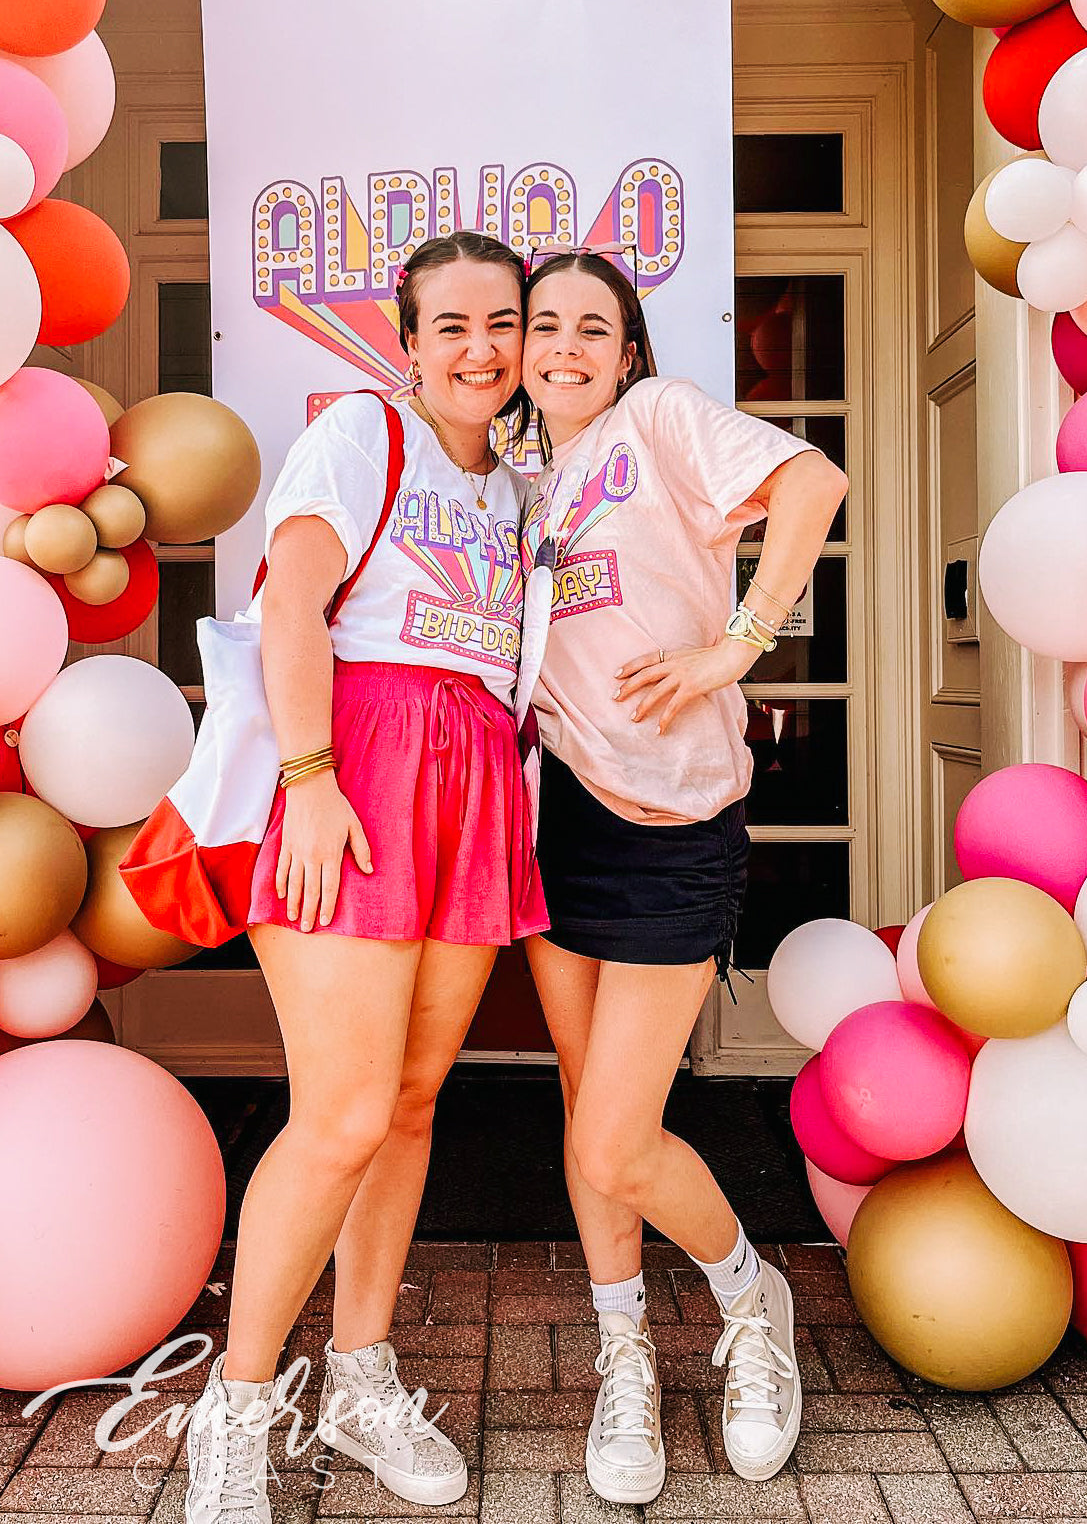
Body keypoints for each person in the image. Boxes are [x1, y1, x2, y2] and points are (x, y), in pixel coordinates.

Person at [185, 232, 547, 1524]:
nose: (481, 349)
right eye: (451, 325)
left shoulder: (519, 492)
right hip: (358, 766)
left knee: (405, 1103)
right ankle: (234, 1409)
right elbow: (291, 605)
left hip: (474, 781)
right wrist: (311, 776)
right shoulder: (360, 435)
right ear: (407, 343)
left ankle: (359, 1372)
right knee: (338, 1112)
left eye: (502, 323)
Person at [520, 251, 848, 1503]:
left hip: (669, 816)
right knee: (586, 1115)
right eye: (543, 324)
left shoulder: (656, 419)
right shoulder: (522, 480)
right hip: (551, 820)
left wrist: (735, 647)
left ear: (627, 351)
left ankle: (749, 1300)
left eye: (590, 327)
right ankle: (627, 1356)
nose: (563, 345)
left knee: (616, 1136)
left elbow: (813, 480)